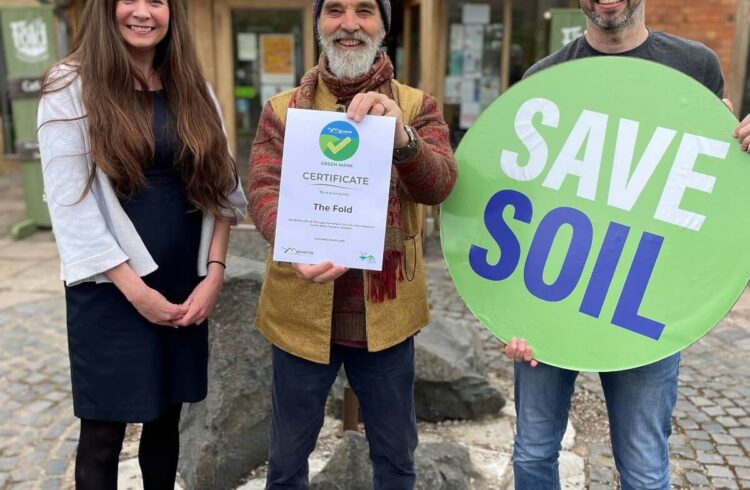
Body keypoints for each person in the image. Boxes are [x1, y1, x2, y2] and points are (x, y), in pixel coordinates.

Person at [501, 1, 734, 489]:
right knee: (531, 454)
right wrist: (507, 312)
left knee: (646, 470)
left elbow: (712, 187)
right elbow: (522, 199)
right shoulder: (545, 78)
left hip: (646, 302)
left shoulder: (695, 66)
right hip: (552, 300)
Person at [37, 0, 247, 486]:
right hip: (110, 289)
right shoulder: (68, 87)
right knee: (104, 431)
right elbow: (71, 203)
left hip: (182, 282)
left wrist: (214, 272)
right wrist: (136, 291)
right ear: (105, 8)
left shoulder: (190, 86)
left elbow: (220, 187)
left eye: (157, 1)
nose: (143, 12)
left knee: (165, 421)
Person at [247, 0, 456, 487]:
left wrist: (403, 138)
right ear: (318, 23)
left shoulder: (416, 106)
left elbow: (439, 186)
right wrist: (293, 241)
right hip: (300, 312)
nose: (348, 24)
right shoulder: (283, 110)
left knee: (396, 455)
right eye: (334, 10)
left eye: (365, 11)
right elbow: (262, 189)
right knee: (286, 460)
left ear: (383, 27)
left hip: (385, 317)